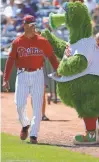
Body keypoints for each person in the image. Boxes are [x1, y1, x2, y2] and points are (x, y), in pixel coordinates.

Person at [2, 15, 59, 144]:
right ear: (25, 25)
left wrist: (58, 69)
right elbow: (10, 60)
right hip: (22, 74)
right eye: (31, 25)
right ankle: (25, 124)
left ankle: (34, 134)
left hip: (38, 74)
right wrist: (5, 78)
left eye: (34, 25)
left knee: (37, 106)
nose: (34, 27)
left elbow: (51, 56)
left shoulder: (42, 41)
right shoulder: (17, 42)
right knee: (19, 104)